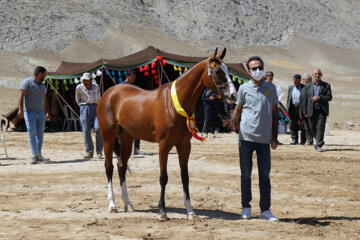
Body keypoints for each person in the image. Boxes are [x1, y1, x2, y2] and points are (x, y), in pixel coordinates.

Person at [232, 56, 279, 221]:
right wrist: (234, 125)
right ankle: (246, 207)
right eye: (254, 68)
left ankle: (265, 210)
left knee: (264, 176)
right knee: (245, 174)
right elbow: (238, 110)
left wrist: (274, 137)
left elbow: (275, 113)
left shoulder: (271, 88)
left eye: (259, 67)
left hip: (264, 140)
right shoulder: (244, 89)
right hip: (246, 138)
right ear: (248, 71)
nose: (257, 71)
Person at [18, 66, 51, 164]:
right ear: (40, 74)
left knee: (40, 134)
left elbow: (44, 99)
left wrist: (47, 112)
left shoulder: (43, 86)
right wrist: (20, 110)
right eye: (45, 74)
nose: (46, 76)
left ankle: (39, 155)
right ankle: (34, 155)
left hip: (41, 113)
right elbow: (20, 95)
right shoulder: (27, 82)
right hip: (30, 112)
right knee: (32, 133)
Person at [302, 69, 332, 152]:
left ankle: (318, 145)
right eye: (315, 74)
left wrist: (319, 97)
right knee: (312, 128)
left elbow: (329, 97)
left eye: (319, 74)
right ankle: (319, 140)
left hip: (322, 111)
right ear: (313, 75)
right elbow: (305, 99)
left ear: (321, 75)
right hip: (311, 110)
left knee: (320, 128)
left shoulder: (326, 85)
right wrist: (305, 112)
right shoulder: (308, 86)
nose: (317, 75)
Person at [75, 72, 103, 159]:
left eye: (87, 80)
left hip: (96, 107)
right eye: (84, 81)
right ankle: (89, 152)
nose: (85, 82)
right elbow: (77, 99)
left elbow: (99, 98)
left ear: (91, 80)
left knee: (98, 128)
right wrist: (81, 106)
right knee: (86, 130)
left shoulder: (96, 86)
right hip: (85, 107)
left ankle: (99, 152)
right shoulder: (79, 87)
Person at [121, 69, 145, 155]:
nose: (133, 78)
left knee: (137, 129)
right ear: (127, 76)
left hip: (133, 112)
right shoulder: (121, 87)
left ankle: (136, 148)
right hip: (123, 112)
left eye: (134, 77)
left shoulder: (134, 87)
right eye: (132, 77)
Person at [286, 74, 305, 145]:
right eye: (293, 80)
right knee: (292, 125)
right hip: (293, 108)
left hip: (301, 108)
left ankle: (303, 140)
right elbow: (289, 99)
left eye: (296, 80)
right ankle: (294, 140)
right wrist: (288, 109)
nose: (294, 81)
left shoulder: (304, 88)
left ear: (300, 80)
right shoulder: (291, 87)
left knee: (303, 125)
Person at [300, 74, 313, 145]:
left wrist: (306, 112)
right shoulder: (303, 88)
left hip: (308, 112)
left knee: (309, 127)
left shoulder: (311, 89)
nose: (302, 81)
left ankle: (310, 140)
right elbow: (301, 101)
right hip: (302, 111)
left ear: (308, 80)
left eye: (304, 79)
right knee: (303, 127)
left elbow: (309, 102)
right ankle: (303, 140)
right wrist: (300, 112)